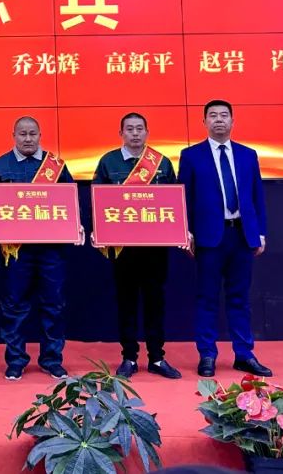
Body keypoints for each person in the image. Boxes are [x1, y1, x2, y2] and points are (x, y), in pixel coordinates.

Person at [0, 116, 81, 381]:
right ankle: (15, 361)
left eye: (32, 133)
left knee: (53, 305)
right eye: (22, 134)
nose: (28, 139)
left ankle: (52, 360)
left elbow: (71, 200)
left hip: (51, 249)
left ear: (40, 135)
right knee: (14, 306)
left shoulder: (56, 166)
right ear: (13, 135)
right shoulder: (0, 166)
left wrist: (76, 226)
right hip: (17, 251)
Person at [179, 100, 272, 378]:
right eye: (213, 115)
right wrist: (186, 231)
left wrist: (260, 232)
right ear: (204, 122)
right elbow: (184, 197)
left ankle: (244, 354)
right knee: (207, 298)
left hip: (241, 235)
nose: (219, 120)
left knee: (239, 298)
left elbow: (257, 196)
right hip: (209, 237)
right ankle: (207, 354)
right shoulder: (191, 156)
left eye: (224, 115)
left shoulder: (247, 155)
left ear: (232, 121)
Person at [91, 112, 182, 380]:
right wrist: (97, 230)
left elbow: (174, 200)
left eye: (139, 128)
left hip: (155, 247)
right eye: (129, 129)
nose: (135, 133)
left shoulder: (162, 163)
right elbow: (97, 200)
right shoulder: (108, 162)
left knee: (155, 302)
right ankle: (129, 357)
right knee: (126, 302)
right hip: (123, 248)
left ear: (147, 132)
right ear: (121, 133)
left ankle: (157, 357)